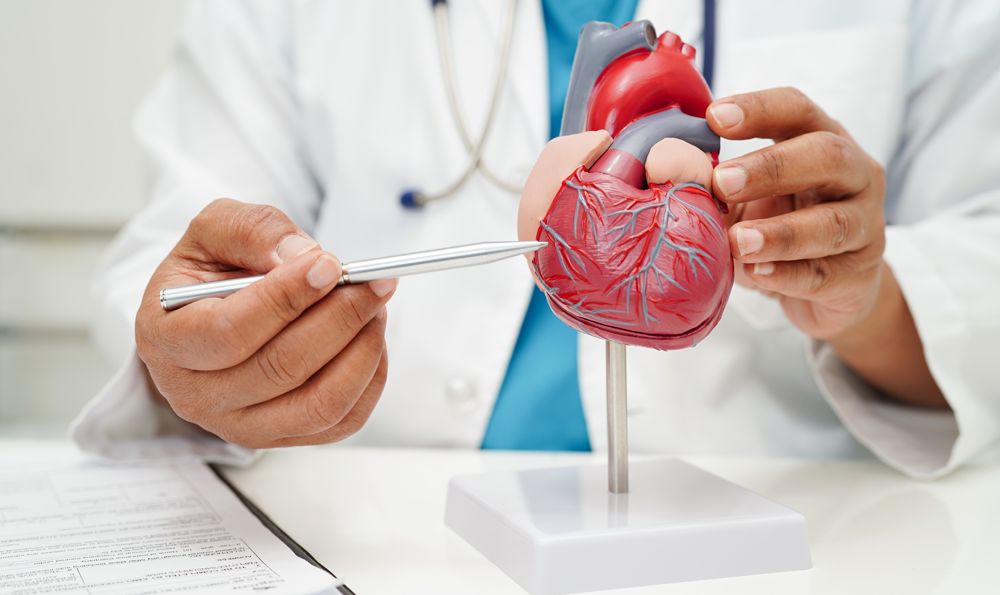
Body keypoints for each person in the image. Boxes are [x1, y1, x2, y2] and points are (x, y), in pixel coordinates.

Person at [73, 0, 1000, 479]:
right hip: (384, 532)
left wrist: (867, 298)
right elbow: (175, 260)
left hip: (801, 538)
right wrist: (213, 350)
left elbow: (982, 250)